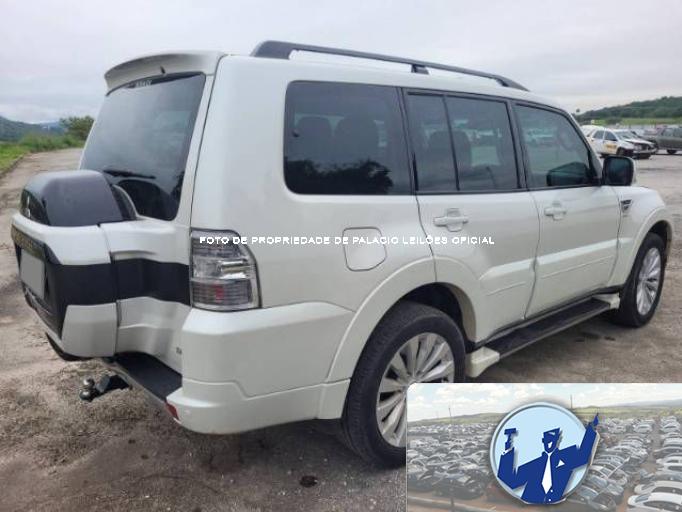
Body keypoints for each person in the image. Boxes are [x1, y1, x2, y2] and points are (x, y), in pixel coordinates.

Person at [497, 414, 599, 504]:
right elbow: (510, 481)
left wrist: (591, 429)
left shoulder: (566, 457)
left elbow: (583, 456)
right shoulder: (533, 465)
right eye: (547, 439)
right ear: (543, 440)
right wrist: (508, 450)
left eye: (552, 439)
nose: (549, 443)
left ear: (558, 440)